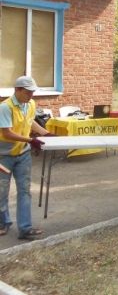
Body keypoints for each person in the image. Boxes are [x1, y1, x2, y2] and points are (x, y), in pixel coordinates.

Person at [0, 76, 52, 240]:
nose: (31, 95)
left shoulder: (30, 104)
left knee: (24, 191)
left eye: (32, 92)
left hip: (23, 154)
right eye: (27, 92)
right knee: (1, 191)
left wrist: (46, 134)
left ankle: (25, 228)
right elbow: (7, 133)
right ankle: (3, 223)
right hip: (3, 156)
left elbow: (30, 122)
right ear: (17, 90)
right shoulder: (5, 107)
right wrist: (31, 140)